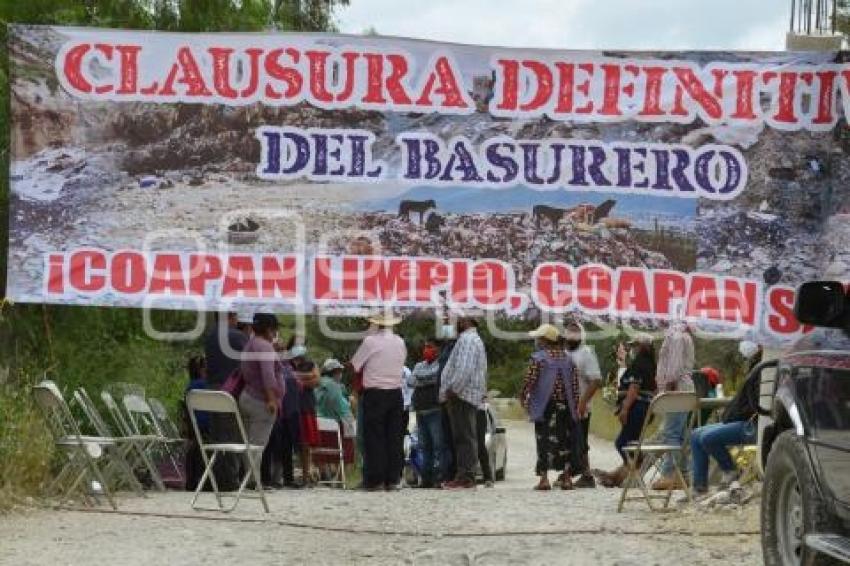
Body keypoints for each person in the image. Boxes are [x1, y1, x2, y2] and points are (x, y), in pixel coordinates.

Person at [520, 324, 582, 491]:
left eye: (538, 338)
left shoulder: (538, 358)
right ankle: (567, 478)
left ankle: (544, 479)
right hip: (566, 406)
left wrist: (523, 397)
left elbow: (530, 381)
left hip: (545, 407)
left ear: (544, 340)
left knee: (544, 440)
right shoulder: (569, 359)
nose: (537, 341)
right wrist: (575, 406)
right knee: (566, 441)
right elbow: (575, 386)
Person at [350, 313, 407, 491]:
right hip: (396, 392)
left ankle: (375, 479)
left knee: (374, 437)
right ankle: (393, 478)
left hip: (375, 392)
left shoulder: (370, 342)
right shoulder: (400, 342)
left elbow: (355, 365)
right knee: (393, 437)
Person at [690, 363, 767, 495]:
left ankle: (730, 470)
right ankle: (699, 487)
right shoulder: (757, 367)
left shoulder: (767, 371)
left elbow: (757, 404)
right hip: (744, 420)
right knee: (696, 434)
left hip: (756, 425)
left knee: (708, 438)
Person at [596, 332, 657, 488]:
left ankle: (635, 473)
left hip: (637, 407)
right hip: (646, 408)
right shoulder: (651, 363)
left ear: (642, 346)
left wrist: (625, 408)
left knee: (622, 443)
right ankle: (623, 475)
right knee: (631, 441)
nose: (633, 348)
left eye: (635, 345)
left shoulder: (639, 363)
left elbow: (634, 387)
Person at [439, 317, 488, 489]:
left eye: (458, 320)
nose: (455, 323)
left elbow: (464, 368)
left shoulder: (467, 339)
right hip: (465, 394)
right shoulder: (472, 339)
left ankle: (466, 477)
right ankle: (466, 475)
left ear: (467, 322)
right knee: (465, 436)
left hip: (462, 395)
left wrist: (453, 389)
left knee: (464, 437)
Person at [203, 311, 249, 490]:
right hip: (231, 391)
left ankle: (219, 479)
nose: (237, 320)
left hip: (211, 390)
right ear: (229, 317)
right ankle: (231, 480)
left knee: (218, 437)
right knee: (233, 436)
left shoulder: (210, 337)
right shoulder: (237, 336)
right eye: (236, 316)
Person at [650, 322, 695, 491]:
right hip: (682, 387)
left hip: (676, 388)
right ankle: (683, 473)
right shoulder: (682, 334)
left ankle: (670, 474)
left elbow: (674, 369)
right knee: (680, 432)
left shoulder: (675, 335)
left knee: (671, 433)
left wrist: (666, 392)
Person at [563, 321, 603, 488]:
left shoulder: (586, 353)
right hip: (563, 405)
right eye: (569, 331)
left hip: (580, 406)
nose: (572, 335)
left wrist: (582, 402)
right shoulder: (562, 353)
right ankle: (569, 473)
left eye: (575, 331)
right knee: (565, 440)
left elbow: (595, 381)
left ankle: (585, 474)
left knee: (580, 440)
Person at [239, 313, 285, 450]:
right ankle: (253, 472)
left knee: (248, 446)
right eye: (274, 329)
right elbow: (268, 374)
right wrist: (271, 399)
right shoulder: (265, 346)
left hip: (247, 396)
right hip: (261, 402)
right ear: (269, 329)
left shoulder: (250, 343)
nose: (275, 333)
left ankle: (249, 472)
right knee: (256, 448)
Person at [408, 341, 445, 488]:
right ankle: (426, 479)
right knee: (424, 446)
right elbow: (411, 381)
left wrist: (420, 379)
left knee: (438, 446)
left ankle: (438, 477)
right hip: (420, 411)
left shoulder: (440, 364)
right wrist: (427, 380)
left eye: (430, 347)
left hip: (435, 410)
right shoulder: (418, 365)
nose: (426, 350)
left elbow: (437, 377)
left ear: (437, 349)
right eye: (425, 347)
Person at [287, 343, 320, 487]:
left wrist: (300, 379)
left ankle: (306, 477)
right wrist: (307, 377)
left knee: (306, 444)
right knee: (297, 444)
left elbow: (315, 381)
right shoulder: (288, 365)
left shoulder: (310, 364)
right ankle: (299, 476)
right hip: (293, 406)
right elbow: (292, 379)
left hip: (306, 406)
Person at [183, 355, 208, 492]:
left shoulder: (190, 386)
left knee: (193, 451)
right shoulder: (204, 385)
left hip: (194, 425)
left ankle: (191, 481)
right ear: (202, 369)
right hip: (205, 425)